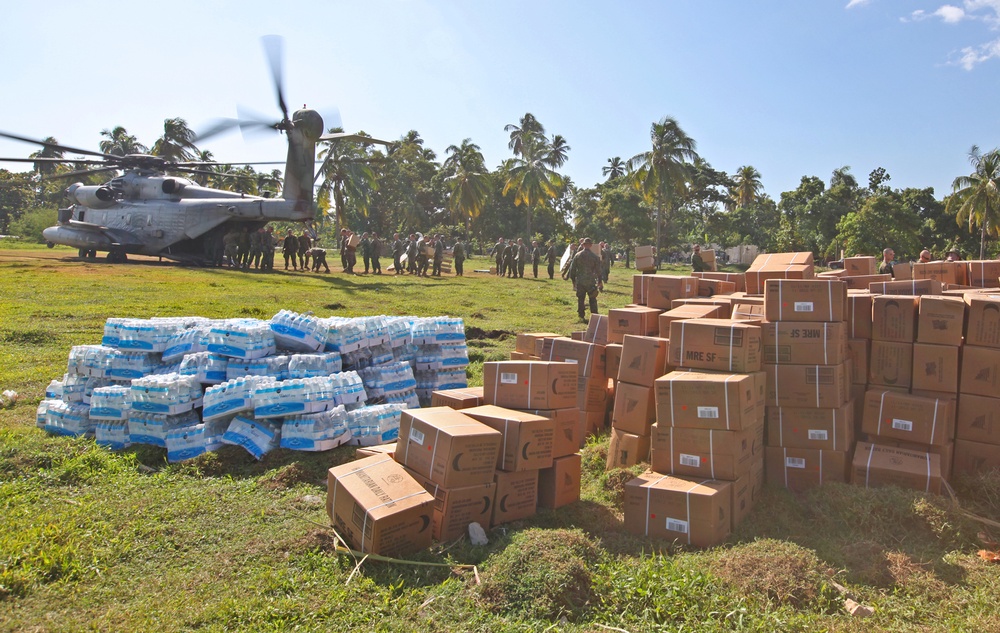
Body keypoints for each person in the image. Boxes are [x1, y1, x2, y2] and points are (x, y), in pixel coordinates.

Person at [569, 237, 604, 321]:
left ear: (583, 245)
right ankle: (594, 316)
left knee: (581, 299)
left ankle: (581, 315)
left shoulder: (577, 255)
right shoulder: (595, 257)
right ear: (591, 245)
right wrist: (600, 281)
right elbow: (599, 271)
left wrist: (573, 281)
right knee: (592, 298)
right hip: (591, 281)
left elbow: (572, 270)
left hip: (580, 281)